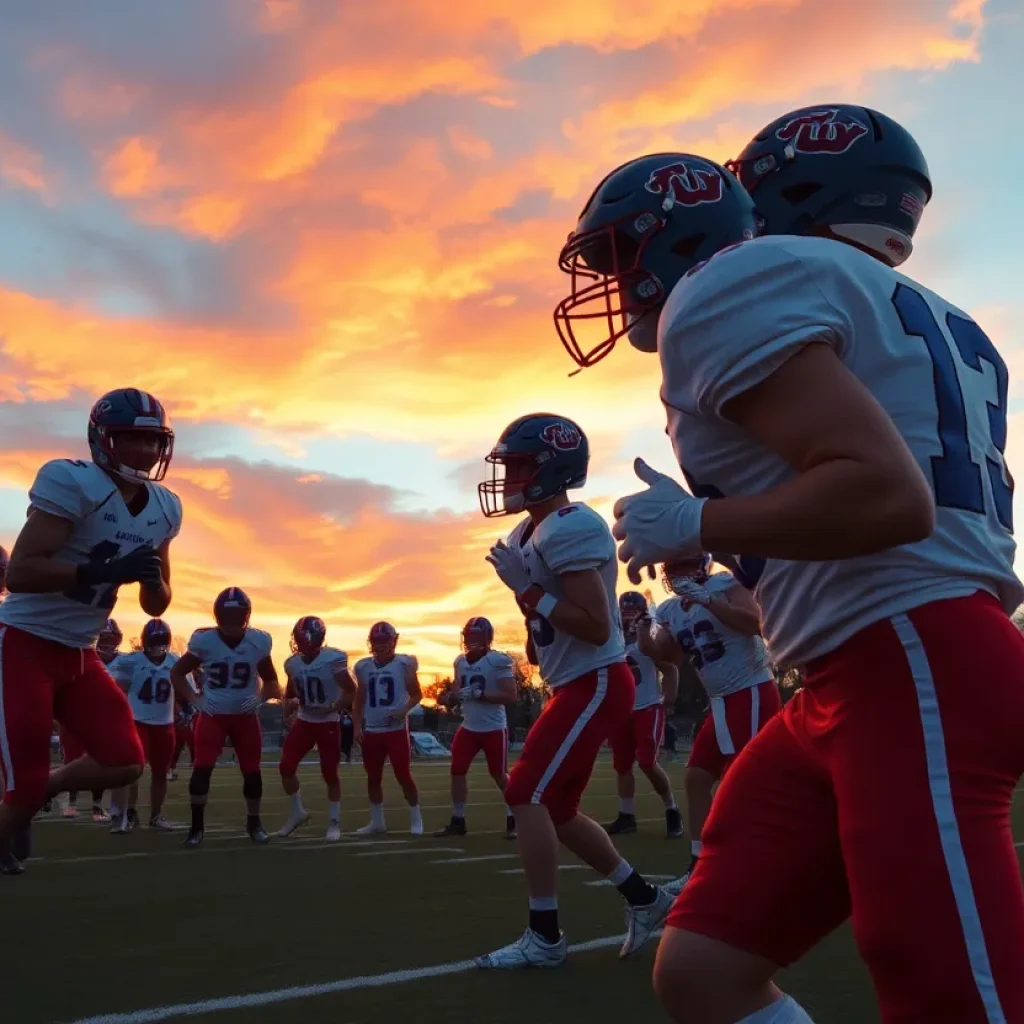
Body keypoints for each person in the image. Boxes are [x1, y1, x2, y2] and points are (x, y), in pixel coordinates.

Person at [557, 111, 1024, 1023]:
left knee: (947, 990)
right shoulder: (938, 315)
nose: (614, 289)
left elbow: (888, 500)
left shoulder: (735, 278)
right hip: (867, 661)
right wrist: (719, 543)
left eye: (619, 261)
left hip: (908, 656)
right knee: (703, 970)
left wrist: (701, 516)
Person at [474, 413, 680, 970]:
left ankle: (545, 937)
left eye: (517, 465)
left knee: (525, 793)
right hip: (572, 683)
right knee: (558, 809)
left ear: (548, 469)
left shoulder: (570, 525)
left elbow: (593, 624)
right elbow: (553, 623)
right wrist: (532, 607)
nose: (508, 477)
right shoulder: (529, 532)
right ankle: (645, 898)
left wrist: (530, 592)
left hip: (597, 680)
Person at [0, 389, 180, 873]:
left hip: (81, 654)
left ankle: (39, 794)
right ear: (103, 439)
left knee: (125, 760)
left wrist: (149, 576)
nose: (143, 452)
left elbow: (157, 601)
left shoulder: (165, 506)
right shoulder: (72, 480)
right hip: (24, 645)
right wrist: (100, 571)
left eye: (151, 441)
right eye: (130, 440)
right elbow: (20, 572)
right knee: (24, 782)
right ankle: (20, 808)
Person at [651, 556, 778, 880]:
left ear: (699, 563)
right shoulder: (669, 608)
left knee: (745, 782)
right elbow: (671, 657)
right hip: (719, 701)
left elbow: (754, 623)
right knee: (696, 778)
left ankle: (760, 858)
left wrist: (706, 599)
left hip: (750, 690)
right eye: (670, 569)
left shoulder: (727, 584)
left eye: (678, 566)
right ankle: (701, 861)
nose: (673, 574)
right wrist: (649, 633)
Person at [170, 587, 280, 847]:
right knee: (202, 770)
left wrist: (261, 698)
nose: (232, 624)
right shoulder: (204, 641)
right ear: (218, 616)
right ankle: (196, 827)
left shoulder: (258, 641)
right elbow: (176, 673)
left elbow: (273, 682)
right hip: (213, 715)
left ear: (246, 616)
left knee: (252, 772)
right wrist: (195, 698)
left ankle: (254, 823)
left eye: (236, 617)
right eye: (227, 618)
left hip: (244, 716)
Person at [604, 590, 682, 838]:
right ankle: (627, 816)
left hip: (647, 706)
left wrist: (668, 699)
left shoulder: (647, 639)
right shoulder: (613, 641)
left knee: (648, 762)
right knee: (622, 765)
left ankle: (672, 809)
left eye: (631, 610)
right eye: (623, 610)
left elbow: (670, 669)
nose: (627, 615)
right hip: (621, 710)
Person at [434, 617, 517, 840]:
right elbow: (457, 692)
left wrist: (481, 694)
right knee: (457, 770)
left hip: (493, 726)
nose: (472, 642)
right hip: (469, 725)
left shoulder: (497, 661)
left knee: (499, 774)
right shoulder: (460, 661)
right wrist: (447, 697)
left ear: (487, 639)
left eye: (477, 637)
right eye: (469, 637)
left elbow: (510, 695)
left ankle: (514, 817)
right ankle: (458, 820)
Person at [277, 616, 354, 841]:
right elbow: (291, 694)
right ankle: (297, 813)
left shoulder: (333, 660)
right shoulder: (292, 663)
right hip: (304, 720)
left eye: (301, 639)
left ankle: (334, 822)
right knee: (286, 767)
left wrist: (333, 707)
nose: (297, 644)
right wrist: (287, 709)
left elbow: (351, 691)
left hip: (328, 721)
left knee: (330, 774)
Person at [351, 622, 423, 836]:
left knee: (403, 774)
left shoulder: (404, 664)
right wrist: (356, 726)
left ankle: (416, 817)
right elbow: (359, 701)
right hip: (372, 730)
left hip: (396, 729)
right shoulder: (363, 666)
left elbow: (417, 694)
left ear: (393, 642)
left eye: (384, 642)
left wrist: (404, 710)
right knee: (373, 777)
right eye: (376, 642)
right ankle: (377, 821)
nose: (380, 646)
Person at [109, 618, 179, 831]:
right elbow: (119, 690)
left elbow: (183, 689)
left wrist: (186, 708)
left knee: (160, 772)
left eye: (161, 641)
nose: (157, 646)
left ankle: (156, 815)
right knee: (133, 770)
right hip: (137, 721)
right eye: (154, 641)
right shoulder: (131, 661)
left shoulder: (175, 661)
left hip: (165, 724)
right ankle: (129, 813)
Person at [58, 617, 123, 822]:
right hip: (75, 718)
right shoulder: (79, 656)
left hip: (102, 719)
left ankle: (96, 807)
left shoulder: (126, 662)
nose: (107, 643)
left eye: (111, 639)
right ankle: (71, 804)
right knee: (73, 761)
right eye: (103, 638)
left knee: (100, 763)